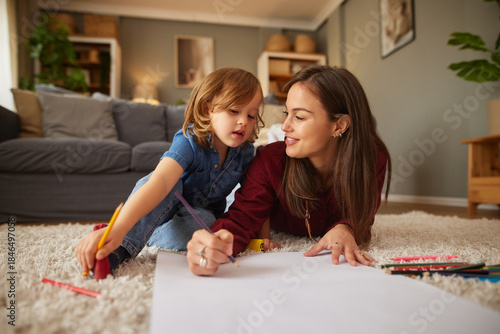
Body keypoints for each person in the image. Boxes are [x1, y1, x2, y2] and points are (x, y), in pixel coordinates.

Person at [186, 65, 392, 276]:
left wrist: (346, 227)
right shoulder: (269, 160)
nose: (284, 126)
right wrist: (214, 242)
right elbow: (241, 218)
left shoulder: (372, 159)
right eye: (287, 113)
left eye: (299, 117)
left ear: (339, 125)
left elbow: (362, 216)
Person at [75, 67, 264, 279]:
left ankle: (145, 232)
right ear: (206, 110)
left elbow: (257, 197)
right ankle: (121, 244)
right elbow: (161, 182)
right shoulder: (189, 140)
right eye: (233, 111)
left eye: (251, 115)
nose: (244, 121)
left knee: (209, 224)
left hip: (197, 221)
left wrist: (262, 238)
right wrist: (119, 228)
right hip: (160, 209)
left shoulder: (246, 153)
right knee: (166, 184)